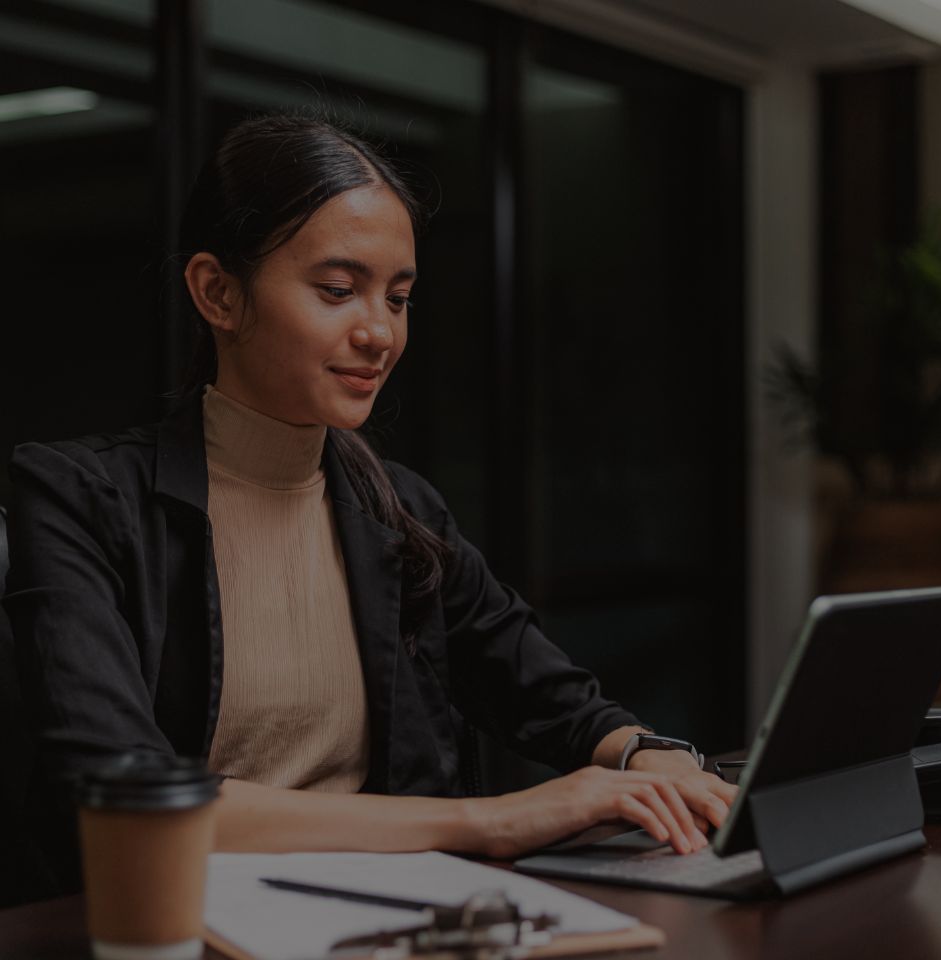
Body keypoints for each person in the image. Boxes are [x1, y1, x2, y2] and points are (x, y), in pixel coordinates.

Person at [3, 113, 735, 890]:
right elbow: (129, 796)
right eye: (339, 290)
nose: (380, 332)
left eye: (399, 297)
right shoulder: (80, 497)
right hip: (174, 923)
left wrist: (643, 753)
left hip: (385, 917)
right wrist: (488, 822)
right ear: (217, 292)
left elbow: (550, 697)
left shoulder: (397, 506)